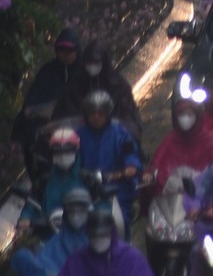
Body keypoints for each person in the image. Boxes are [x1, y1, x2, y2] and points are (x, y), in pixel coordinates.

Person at [74, 90, 144, 232]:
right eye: (92, 113)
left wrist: (131, 167)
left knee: (121, 224)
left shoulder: (120, 133)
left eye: (100, 113)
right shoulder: (78, 136)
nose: (96, 117)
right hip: (86, 191)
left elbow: (130, 153)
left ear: (108, 114)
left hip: (117, 192)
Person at [17, 27, 84, 154]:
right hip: (49, 130)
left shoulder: (84, 72)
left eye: (69, 50)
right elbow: (32, 103)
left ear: (76, 50)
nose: (65, 54)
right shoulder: (48, 71)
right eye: (61, 50)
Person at [23, 127, 86, 228]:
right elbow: (32, 205)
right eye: (58, 152)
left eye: (68, 151)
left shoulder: (88, 179)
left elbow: (102, 207)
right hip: (48, 236)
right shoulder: (44, 181)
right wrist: (26, 219)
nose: (63, 156)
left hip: (82, 236)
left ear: (77, 150)